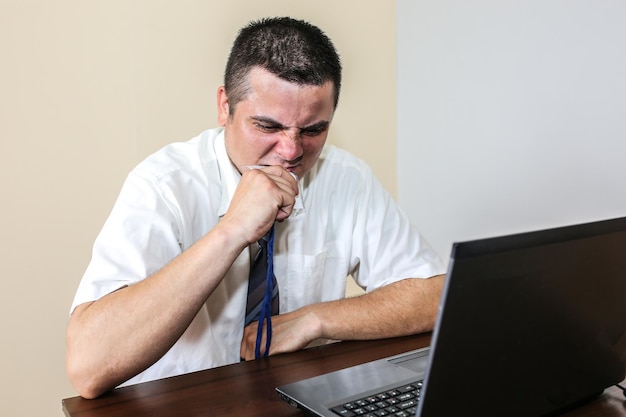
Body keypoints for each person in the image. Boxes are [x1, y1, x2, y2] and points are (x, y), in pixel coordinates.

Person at [66, 16, 446, 399]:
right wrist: (231, 231)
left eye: (313, 130)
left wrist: (315, 320)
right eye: (267, 126)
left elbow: (434, 297)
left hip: (290, 400)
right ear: (224, 106)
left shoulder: (345, 178)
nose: (291, 151)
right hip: (182, 405)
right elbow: (87, 367)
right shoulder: (164, 186)